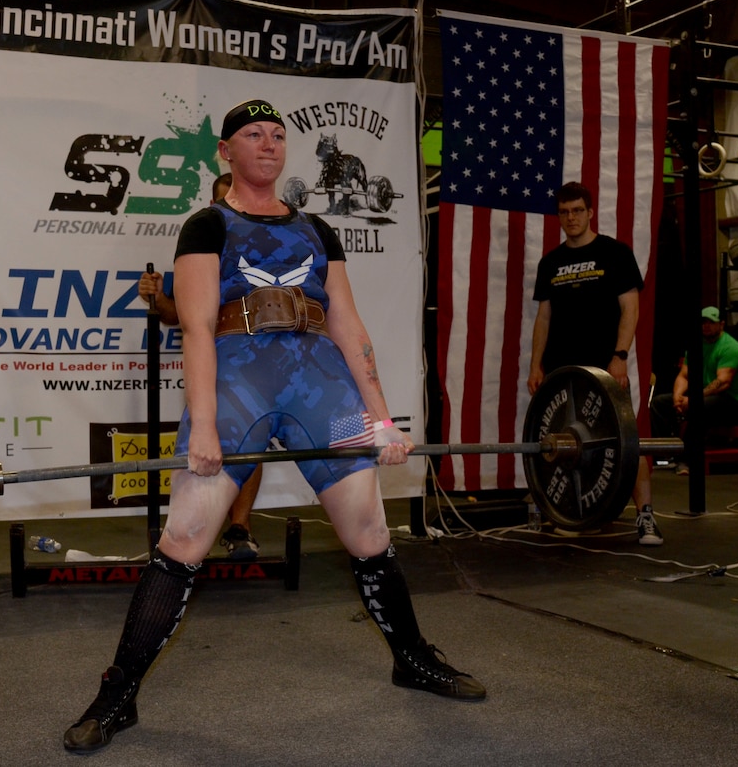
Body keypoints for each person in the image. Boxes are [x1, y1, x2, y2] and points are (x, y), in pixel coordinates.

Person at [63, 99, 484, 754]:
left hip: (320, 379)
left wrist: (379, 418)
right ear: (225, 152)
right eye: (253, 135)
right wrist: (204, 425)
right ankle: (117, 695)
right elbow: (197, 327)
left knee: (369, 531)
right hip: (240, 377)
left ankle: (413, 658)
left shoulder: (318, 229)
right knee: (185, 538)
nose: (269, 144)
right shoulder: (207, 224)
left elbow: (347, 323)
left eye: (278, 135)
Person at [528, 180, 662, 546]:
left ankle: (645, 518)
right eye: (564, 212)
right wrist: (535, 365)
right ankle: (573, 513)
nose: (571, 218)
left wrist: (619, 357)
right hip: (562, 371)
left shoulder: (615, 253)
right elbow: (544, 318)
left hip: (605, 369)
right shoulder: (551, 262)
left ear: (589, 213)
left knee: (625, 441)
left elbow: (630, 308)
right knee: (564, 443)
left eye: (577, 211)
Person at [138, 172, 262, 559]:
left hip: (260, 361)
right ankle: (191, 537)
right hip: (212, 360)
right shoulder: (200, 250)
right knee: (204, 442)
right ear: (213, 206)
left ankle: (240, 529)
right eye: (226, 204)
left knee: (251, 443)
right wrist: (157, 299)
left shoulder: (268, 250)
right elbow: (178, 316)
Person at [649, 306, 738, 475]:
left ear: (721, 325)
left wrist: (693, 399)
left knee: (698, 406)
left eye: (711, 322)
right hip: (704, 395)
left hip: (731, 400)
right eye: (703, 322)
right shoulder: (696, 345)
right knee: (659, 403)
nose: (706, 326)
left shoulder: (731, 347)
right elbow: (684, 376)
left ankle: (686, 461)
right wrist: (678, 397)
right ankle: (663, 456)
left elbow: (723, 382)